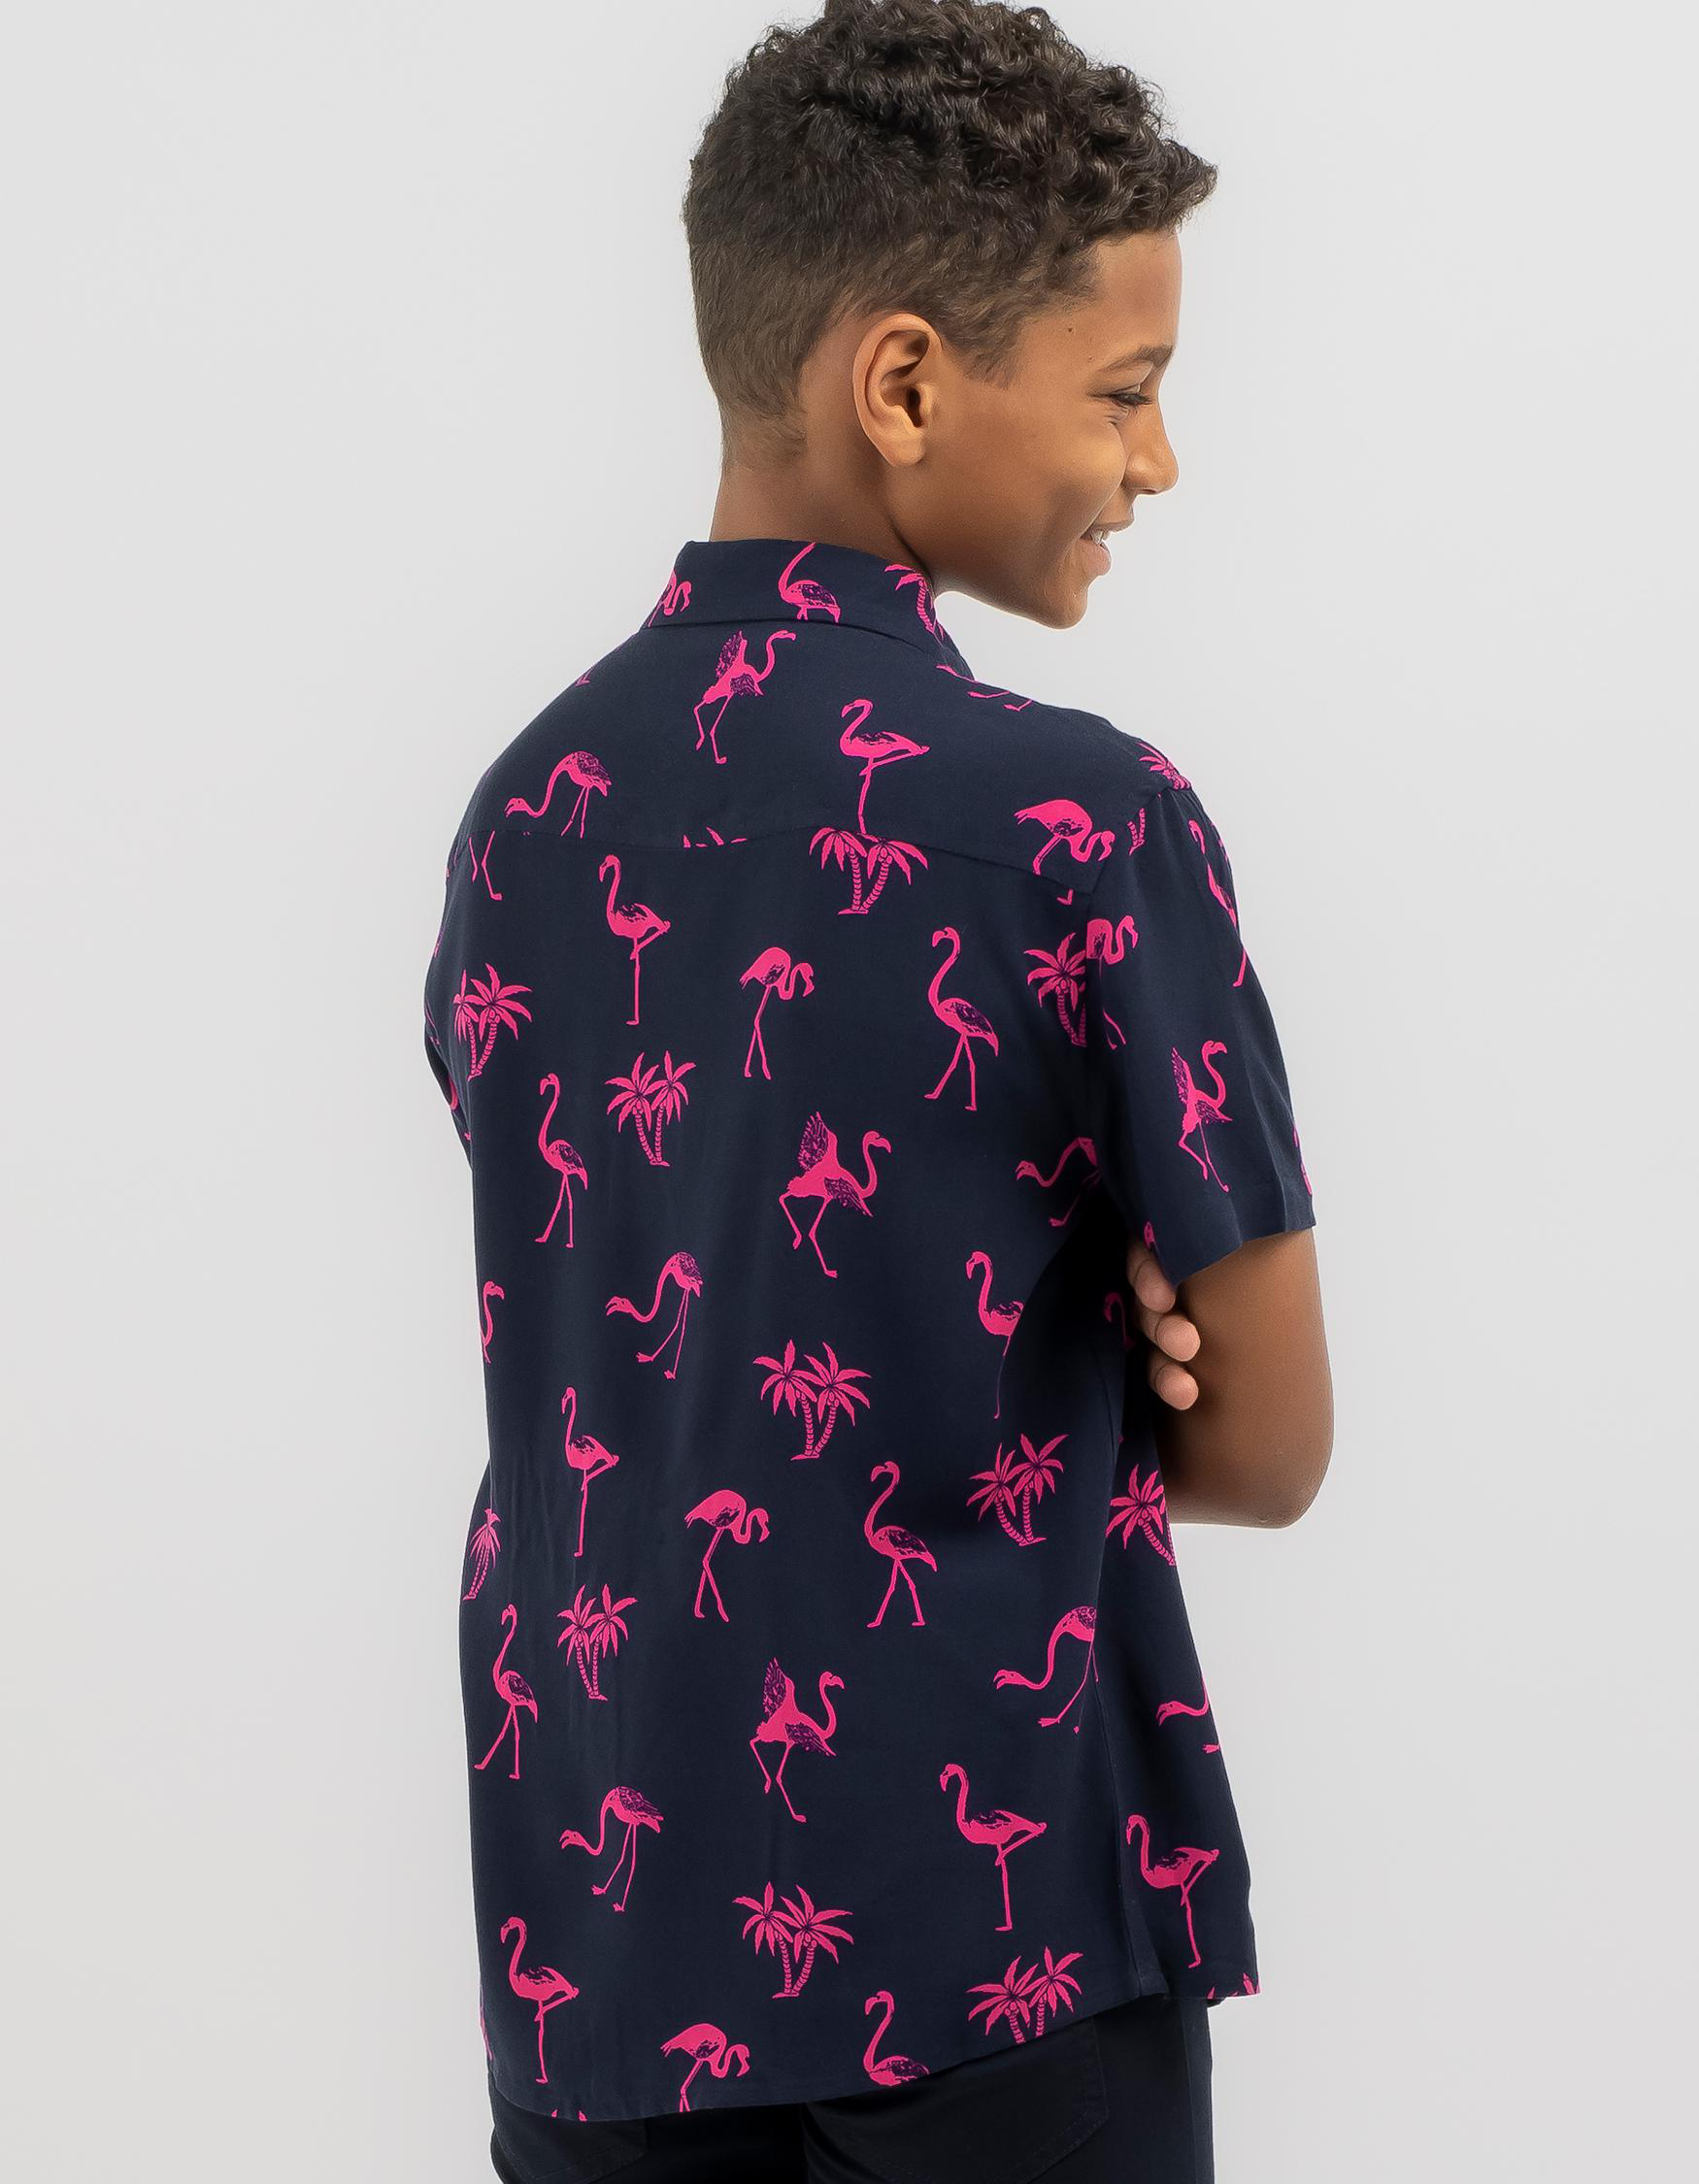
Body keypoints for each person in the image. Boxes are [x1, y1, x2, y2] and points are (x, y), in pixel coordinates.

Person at [420, 2, 1334, 2177]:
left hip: (600, 1947)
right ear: (906, 384)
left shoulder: (527, 816)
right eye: (1126, 389)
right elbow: (1275, 1444)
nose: (1159, 464)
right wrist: (1095, 1346)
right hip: (995, 1939)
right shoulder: (1078, 824)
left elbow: (647, 1335)